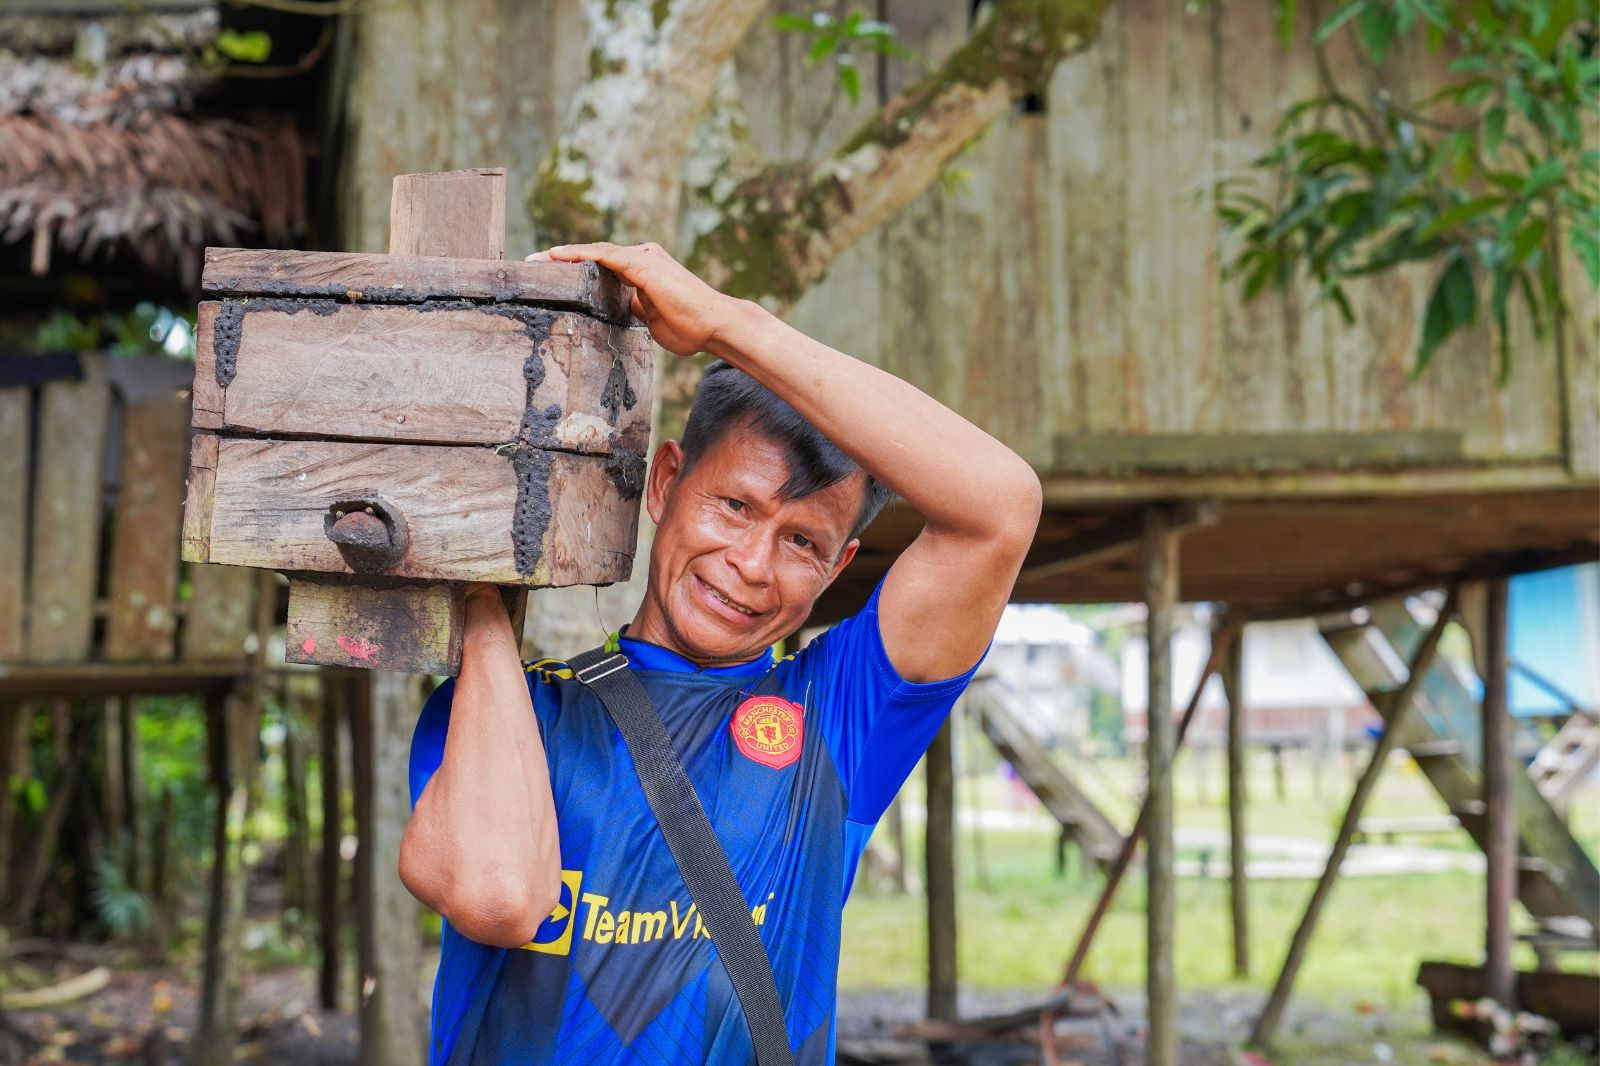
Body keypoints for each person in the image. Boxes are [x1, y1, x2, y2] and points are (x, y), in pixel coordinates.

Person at [401, 242, 1042, 1064]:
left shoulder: (839, 719)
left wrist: (728, 325)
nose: (751, 563)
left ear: (838, 566)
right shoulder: (514, 713)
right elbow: (495, 898)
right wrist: (484, 596)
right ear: (665, 483)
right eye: (735, 505)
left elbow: (1001, 505)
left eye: (802, 541)